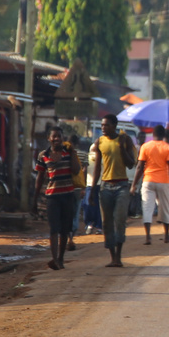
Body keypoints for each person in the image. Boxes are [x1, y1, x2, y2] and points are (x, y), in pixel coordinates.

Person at [88, 114, 138, 268]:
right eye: (102, 125)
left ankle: (119, 256)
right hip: (105, 186)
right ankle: (112, 257)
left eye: (107, 125)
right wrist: (92, 189)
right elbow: (97, 167)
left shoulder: (125, 140)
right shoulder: (99, 142)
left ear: (114, 126)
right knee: (107, 223)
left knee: (119, 219)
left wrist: (122, 148)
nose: (103, 128)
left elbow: (131, 164)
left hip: (122, 185)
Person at [33, 125, 82, 269]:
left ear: (62, 138)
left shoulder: (69, 152)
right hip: (52, 197)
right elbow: (40, 177)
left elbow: (76, 169)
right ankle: (54, 259)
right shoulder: (43, 155)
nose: (56, 139)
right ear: (49, 138)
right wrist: (35, 199)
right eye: (53, 136)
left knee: (65, 229)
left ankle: (60, 258)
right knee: (54, 229)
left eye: (59, 136)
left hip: (68, 196)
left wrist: (72, 152)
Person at [138, 124, 169, 245]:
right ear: (164, 135)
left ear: (153, 134)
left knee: (147, 207)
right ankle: (166, 236)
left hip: (148, 180)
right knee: (165, 207)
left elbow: (140, 167)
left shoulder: (145, 146)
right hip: (163, 181)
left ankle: (148, 237)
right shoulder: (168, 148)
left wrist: (134, 184)